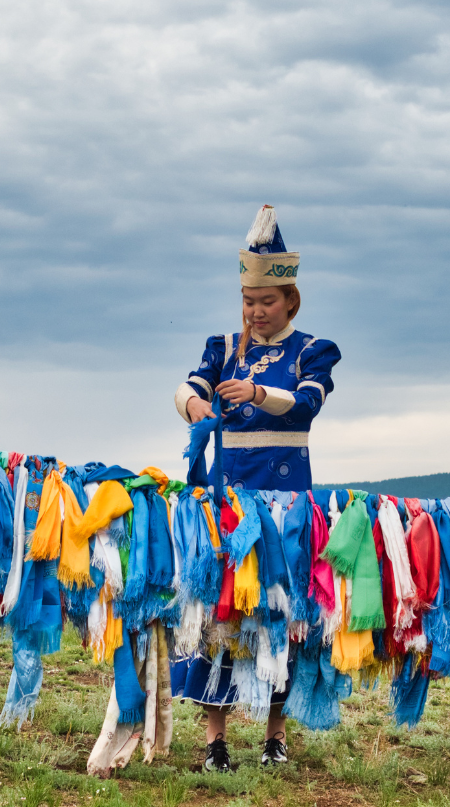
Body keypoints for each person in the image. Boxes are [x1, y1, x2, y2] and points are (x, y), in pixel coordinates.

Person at [170, 205, 341, 771]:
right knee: (222, 612)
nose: (256, 312)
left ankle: (275, 735)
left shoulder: (311, 350)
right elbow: (185, 389)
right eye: (249, 302)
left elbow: (309, 403)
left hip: (287, 508)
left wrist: (259, 396)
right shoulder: (221, 348)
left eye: (266, 302)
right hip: (227, 504)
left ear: (290, 300)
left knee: (280, 612)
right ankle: (215, 741)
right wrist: (198, 406)